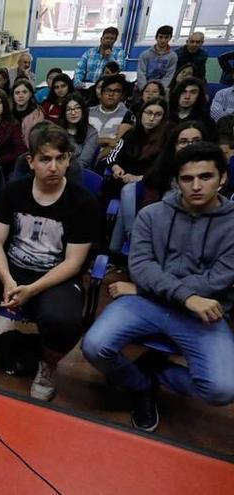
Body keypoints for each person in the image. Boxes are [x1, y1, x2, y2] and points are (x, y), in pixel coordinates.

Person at [82, 142, 234, 433]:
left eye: (205, 176)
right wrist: (185, 296)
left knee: (222, 390)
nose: (196, 186)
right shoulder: (152, 215)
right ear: (177, 181)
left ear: (223, 178)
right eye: (187, 178)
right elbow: (141, 267)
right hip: (150, 304)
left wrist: (159, 291)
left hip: (201, 312)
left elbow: (219, 278)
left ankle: (155, 370)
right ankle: (141, 385)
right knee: (94, 346)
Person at [0, 124, 99, 402]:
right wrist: (7, 280)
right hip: (12, 266)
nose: (54, 167)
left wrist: (32, 289)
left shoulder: (83, 202)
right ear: (31, 161)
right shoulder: (13, 192)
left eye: (60, 158)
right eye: (45, 159)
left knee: (63, 321)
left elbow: (73, 263)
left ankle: (47, 368)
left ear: (68, 160)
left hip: (55, 276)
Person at [107, 120, 207, 254]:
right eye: (183, 142)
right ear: (174, 146)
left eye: (196, 141)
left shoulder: (213, 173)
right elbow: (151, 211)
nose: (190, 146)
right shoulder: (162, 171)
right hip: (162, 233)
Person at [99, 98, 167, 199]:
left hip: (146, 185)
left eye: (158, 115)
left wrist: (138, 178)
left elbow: (162, 171)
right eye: (148, 113)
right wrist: (115, 167)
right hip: (121, 180)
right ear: (141, 113)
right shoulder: (130, 134)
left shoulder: (166, 139)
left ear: (163, 118)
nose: (151, 118)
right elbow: (113, 155)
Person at [0, 89, 27, 179]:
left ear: (4, 104)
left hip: (5, 171)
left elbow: (19, 151)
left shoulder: (13, 125)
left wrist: (0, 161)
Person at [58, 93, 100, 176]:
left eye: (77, 108)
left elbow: (83, 162)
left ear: (83, 110)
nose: (73, 113)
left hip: (80, 173)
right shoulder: (57, 131)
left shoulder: (92, 133)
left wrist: (63, 171)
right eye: (68, 109)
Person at [88, 74, 128, 154]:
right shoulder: (88, 112)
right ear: (101, 93)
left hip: (112, 156)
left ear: (122, 95)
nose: (111, 94)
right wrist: (107, 140)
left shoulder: (127, 115)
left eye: (116, 91)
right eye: (107, 90)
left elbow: (120, 143)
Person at [138, 26, 177, 91]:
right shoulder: (145, 55)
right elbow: (141, 74)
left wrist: (159, 90)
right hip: (144, 88)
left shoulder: (173, 56)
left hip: (161, 89)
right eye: (161, 37)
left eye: (166, 37)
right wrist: (144, 90)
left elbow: (169, 75)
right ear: (156, 38)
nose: (163, 40)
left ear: (170, 38)